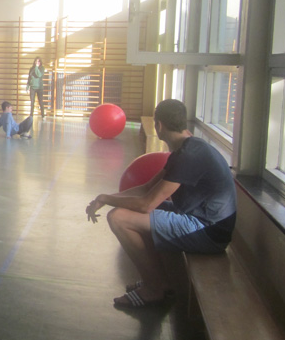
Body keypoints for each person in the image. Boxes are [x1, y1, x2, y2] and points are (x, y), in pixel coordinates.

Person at [85, 99, 237, 309]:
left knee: (118, 218)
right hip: (204, 222)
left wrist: (105, 199)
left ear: (159, 125)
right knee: (126, 211)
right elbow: (147, 188)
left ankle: (154, 287)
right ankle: (157, 280)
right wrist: (105, 199)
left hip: (208, 232)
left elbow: (146, 205)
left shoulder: (188, 156)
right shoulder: (188, 148)